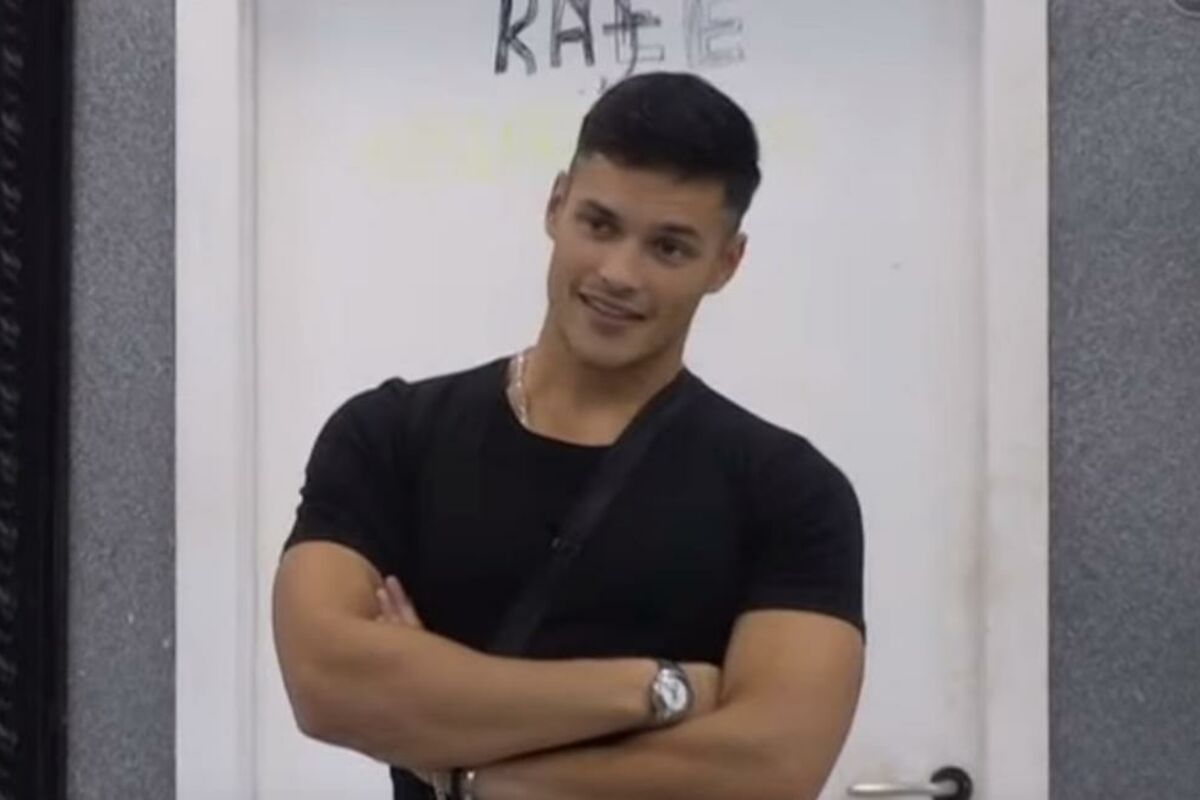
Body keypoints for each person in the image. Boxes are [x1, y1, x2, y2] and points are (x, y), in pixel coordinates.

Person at [272, 71, 865, 800]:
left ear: (726, 263)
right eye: (600, 225)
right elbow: (325, 683)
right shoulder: (391, 436)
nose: (619, 273)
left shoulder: (788, 491)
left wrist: (464, 764)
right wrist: (655, 690)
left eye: (669, 248)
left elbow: (770, 768)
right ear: (556, 206)